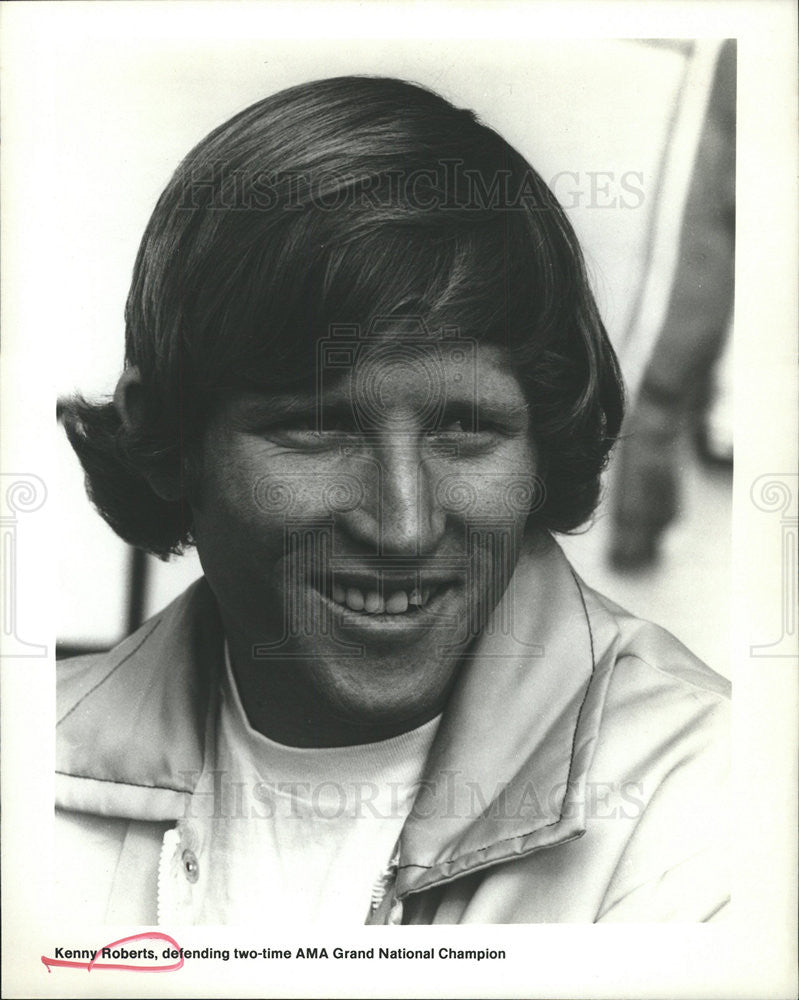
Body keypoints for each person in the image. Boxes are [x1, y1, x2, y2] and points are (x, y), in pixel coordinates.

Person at [56, 76, 729, 925]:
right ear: (168, 438)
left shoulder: (704, 789)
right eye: (321, 427)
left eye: (463, 427)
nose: (404, 524)